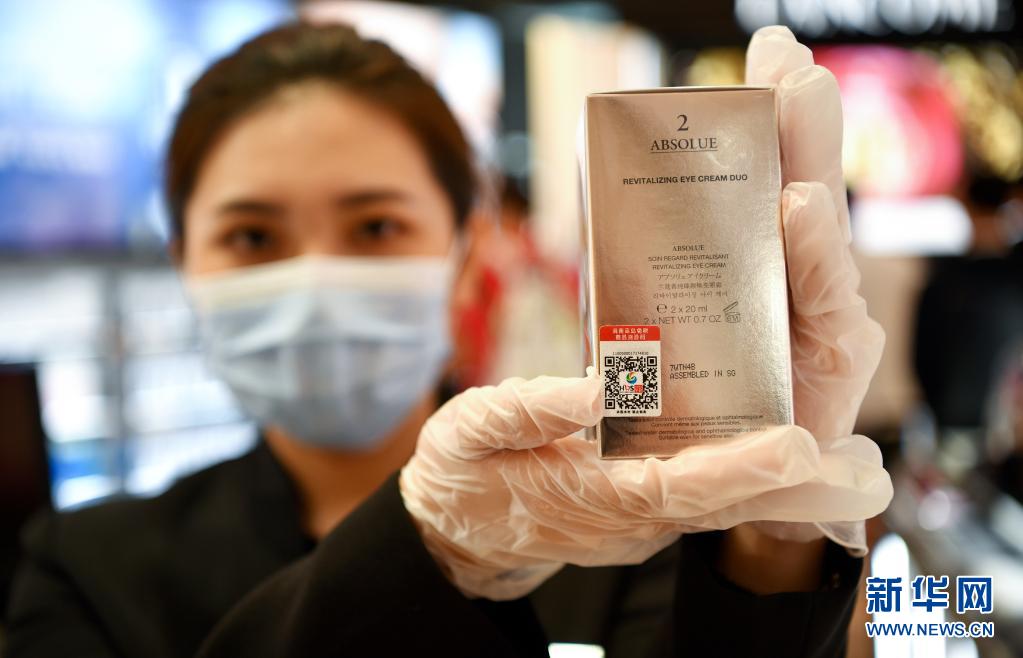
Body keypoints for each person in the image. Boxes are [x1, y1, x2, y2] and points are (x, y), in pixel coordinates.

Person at [5, 22, 890, 657]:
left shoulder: (618, 527)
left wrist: (769, 538)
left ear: (466, 256)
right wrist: (422, 546)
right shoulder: (86, 567)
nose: (316, 279)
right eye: (252, 237)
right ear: (183, 262)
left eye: (376, 227)